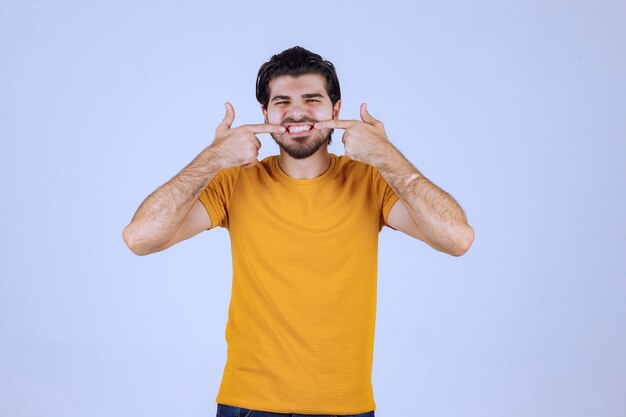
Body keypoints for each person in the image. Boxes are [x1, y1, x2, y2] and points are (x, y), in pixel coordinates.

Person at [123, 46, 474, 417]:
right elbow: (140, 237)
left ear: (336, 111)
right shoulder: (234, 181)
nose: (296, 112)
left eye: (312, 99)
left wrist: (384, 155)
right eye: (282, 101)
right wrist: (213, 158)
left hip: (345, 407)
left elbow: (457, 238)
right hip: (248, 405)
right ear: (265, 113)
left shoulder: (371, 180)